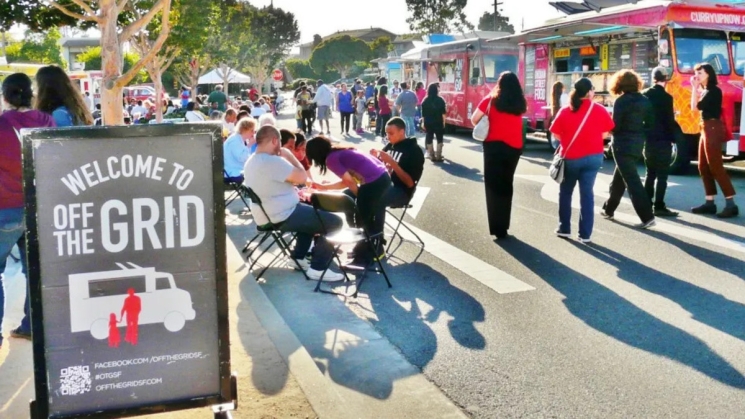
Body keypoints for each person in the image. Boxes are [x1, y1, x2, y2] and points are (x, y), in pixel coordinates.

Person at [243, 126, 345, 281]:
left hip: (268, 214)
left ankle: (298, 257)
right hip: (281, 215)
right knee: (335, 222)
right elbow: (302, 177)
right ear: (275, 140)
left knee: (310, 215)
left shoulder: (252, 161)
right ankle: (318, 268)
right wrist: (289, 155)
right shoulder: (272, 161)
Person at [0, 73, 57, 347]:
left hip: (5, 208)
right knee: (35, 270)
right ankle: (32, 327)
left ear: (5, 95)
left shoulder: (1, 124)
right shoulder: (47, 121)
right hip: (39, 205)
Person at [306, 136, 391, 266]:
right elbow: (347, 181)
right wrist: (325, 187)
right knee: (359, 212)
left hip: (374, 182)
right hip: (382, 178)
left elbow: (350, 182)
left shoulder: (331, 159)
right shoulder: (340, 152)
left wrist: (360, 199)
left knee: (362, 218)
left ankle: (368, 254)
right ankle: (366, 248)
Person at [550, 78, 615, 243]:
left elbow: (556, 134)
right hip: (593, 157)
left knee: (566, 192)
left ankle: (564, 228)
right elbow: (606, 133)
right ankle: (585, 234)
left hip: (571, 158)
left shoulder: (565, 111)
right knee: (587, 195)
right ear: (589, 92)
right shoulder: (600, 110)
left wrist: (568, 139)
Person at [469, 72, 527, 239]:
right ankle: (505, 224)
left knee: (493, 186)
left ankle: (497, 227)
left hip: (493, 147)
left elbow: (474, 120)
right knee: (507, 184)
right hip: (514, 148)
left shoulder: (490, 100)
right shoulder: (520, 102)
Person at [601, 69, 656, 228]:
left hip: (621, 144)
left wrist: (609, 130)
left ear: (619, 84)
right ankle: (608, 209)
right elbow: (650, 124)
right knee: (620, 178)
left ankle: (647, 217)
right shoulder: (645, 100)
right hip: (637, 144)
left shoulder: (621, 101)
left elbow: (615, 126)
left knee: (632, 181)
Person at [690, 63, 739, 218]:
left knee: (715, 165)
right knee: (703, 166)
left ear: (708, 74)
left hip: (712, 128)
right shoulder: (705, 91)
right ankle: (709, 202)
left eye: (700, 73)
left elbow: (694, 107)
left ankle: (731, 203)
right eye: (696, 72)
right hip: (705, 127)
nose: (697, 75)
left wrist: (694, 88)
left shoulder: (713, 91)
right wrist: (697, 88)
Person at [642, 67, 679, 217]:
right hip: (663, 140)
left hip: (649, 140)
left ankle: (645, 203)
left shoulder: (645, 95)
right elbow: (670, 122)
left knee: (649, 173)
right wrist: (673, 140)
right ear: (665, 79)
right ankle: (659, 206)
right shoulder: (667, 98)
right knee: (662, 175)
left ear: (653, 78)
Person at [372, 117, 425, 208]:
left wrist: (392, 163)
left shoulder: (414, 150)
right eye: (386, 133)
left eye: (391, 133)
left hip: (401, 191)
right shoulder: (390, 145)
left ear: (402, 132)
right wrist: (374, 158)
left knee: (372, 198)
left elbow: (410, 183)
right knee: (351, 193)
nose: (388, 137)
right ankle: (359, 220)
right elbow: (379, 164)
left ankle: (371, 222)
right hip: (384, 185)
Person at [224, 118, 257, 183]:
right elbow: (242, 158)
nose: (253, 133)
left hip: (237, 171)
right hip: (233, 173)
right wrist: (250, 144)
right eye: (252, 130)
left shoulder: (240, 139)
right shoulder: (235, 140)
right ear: (244, 129)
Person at [421, 83, 447, 161]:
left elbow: (423, 114)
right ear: (436, 90)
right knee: (440, 138)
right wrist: (444, 122)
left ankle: (432, 155)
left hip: (428, 122)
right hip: (438, 121)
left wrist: (423, 123)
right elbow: (443, 113)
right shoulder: (440, 100)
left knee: (429, 137)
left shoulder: (425, 100)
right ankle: (439, 155)